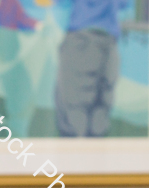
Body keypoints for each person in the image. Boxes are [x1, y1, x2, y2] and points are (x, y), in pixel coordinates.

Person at [52, 0, 129, 136]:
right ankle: (94, 153)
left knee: (74, 106)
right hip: (108, 44)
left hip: (81, 42)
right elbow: (124, 4)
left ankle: (78, 153)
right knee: (102, 106)